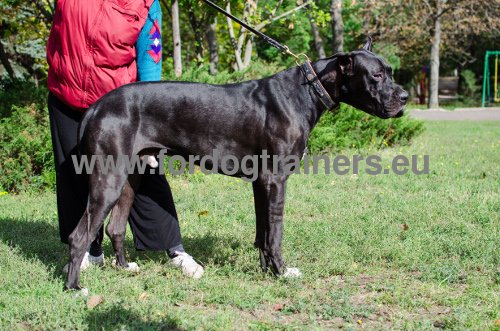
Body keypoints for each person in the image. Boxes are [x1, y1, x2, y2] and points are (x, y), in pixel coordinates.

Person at [46, 0, 203, 278]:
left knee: (144, 172)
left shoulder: (145, 3)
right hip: (66, 95)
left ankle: (173, 248)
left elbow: (149, 60)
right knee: (75, 173)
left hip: (119, 108)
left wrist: (151, 114)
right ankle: (88, 251)